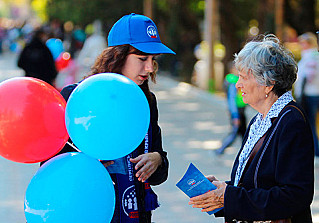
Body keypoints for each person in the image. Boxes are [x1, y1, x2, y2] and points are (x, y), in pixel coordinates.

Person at [55, 13, 174, 223]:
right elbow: (53, 166)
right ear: (117, 56)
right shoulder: (77, 98)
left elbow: (160, 171)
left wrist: (157, 160)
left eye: (152, 60)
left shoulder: (147, 101)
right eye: (142, 59)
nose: (149, 68)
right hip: (87, 211)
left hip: (135, 213)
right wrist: (87, 162)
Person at [188, 34, 314, 222]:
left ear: (269, 83)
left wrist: (228, 196)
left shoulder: (291, 121)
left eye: (244, 77)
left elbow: (295, 196)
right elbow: (256, 183)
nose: (238, 84)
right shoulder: (259, 119)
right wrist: (221, 190)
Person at [294, 32, 319, 157]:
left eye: (303, 43)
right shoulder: (313, 55)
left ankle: (316, 152)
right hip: (313, 94)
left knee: (310, 125)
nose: (301, 46)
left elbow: (309, 76)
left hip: (309, 95)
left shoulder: (311, 56)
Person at [215, 62, 247, 155]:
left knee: (243, 133)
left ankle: (247, 152)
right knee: (235, 133)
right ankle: (220, 150)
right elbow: (232, 100)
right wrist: (235, 115)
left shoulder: (236, 80)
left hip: (240, 110)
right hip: (237, 111)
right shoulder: (233, 82)